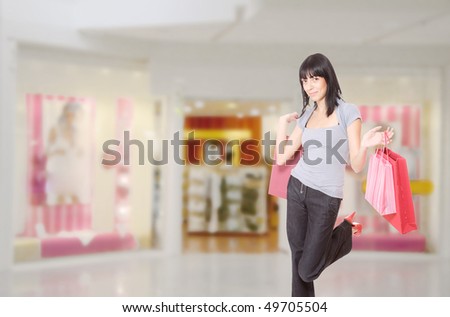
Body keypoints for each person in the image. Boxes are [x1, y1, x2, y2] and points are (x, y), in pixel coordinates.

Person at [275, 53, 393, 297]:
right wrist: (280, 125)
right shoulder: (307, 115)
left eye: (314, 79)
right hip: (297, 188)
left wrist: (366, 145)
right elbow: (282, 157)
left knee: (307, 270)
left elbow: (357, 165)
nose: (309, 86)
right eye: (304, 81)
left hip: (326, 197)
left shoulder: (348, 112)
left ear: (327, 78)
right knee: (297, 261)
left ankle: (345, 231)